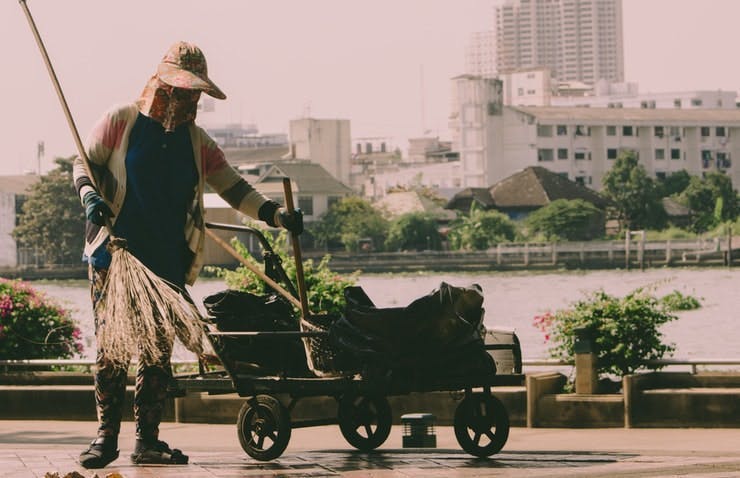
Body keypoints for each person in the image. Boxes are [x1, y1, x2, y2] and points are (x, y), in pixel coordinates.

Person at [73, 41, 303, 469]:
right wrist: (90, 197)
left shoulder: (197, 143)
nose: (185, 100)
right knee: (112, 348)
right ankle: (105, 437)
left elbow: (234, 188)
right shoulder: (121, 121)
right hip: (115, 256)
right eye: (179, 90)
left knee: (157, 352)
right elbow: (83, 164)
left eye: (193, 93)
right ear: (160, 85)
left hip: (166, 261)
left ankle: (148, 440)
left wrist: (275, 215)